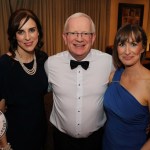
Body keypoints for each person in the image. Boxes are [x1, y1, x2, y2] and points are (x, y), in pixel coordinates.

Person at [44, 12, 115, 150]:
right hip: (61, 139)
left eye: (85, 33)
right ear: (65, 37)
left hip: (96, 139)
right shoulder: (51, 64)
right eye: (74, 33)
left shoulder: (109, 62)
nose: (79, 38)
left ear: (93, 37)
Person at [0, 9, 48, 150]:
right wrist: (4, 146)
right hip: (15, 139)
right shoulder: (5, 64)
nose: (27, 37)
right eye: (21, 32)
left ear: (38, 32)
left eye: (32, 30)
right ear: (14, 36)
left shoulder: (43, 59)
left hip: (40, 134)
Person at [102, 24, 150, 150]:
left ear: (143, 47)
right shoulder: (113, 76)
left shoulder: (148, 83)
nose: (127, 51)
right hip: (107, 143)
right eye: (122, 44)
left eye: (133, 44)